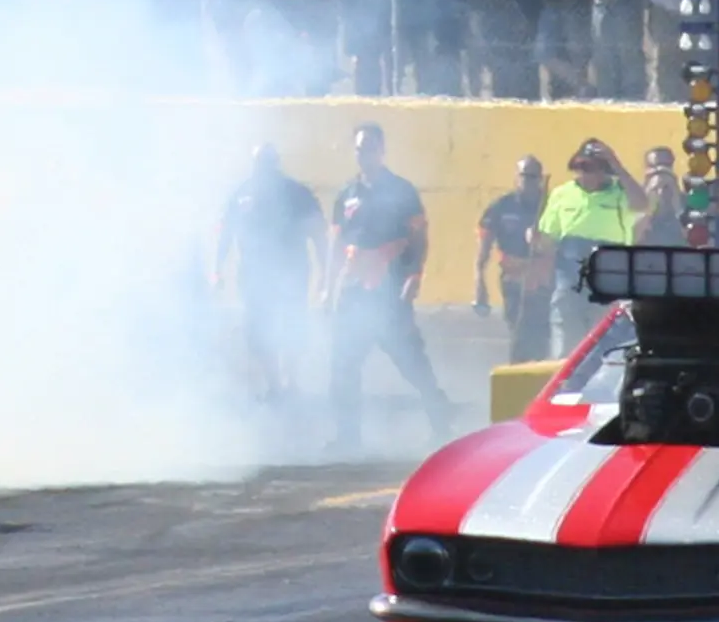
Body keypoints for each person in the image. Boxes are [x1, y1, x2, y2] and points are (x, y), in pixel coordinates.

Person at [325, 122, 452, 452]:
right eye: (358, 149)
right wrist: (328, 287)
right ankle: (348, 438)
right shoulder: (346, 194)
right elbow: (336, 245)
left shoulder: (402, 191)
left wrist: (415, 276)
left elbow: (419, 237)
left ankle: (442, 424)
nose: (362, 154)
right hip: (355, 293)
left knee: (411, 363)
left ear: (381, 150)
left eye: (368, 148)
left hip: (390, 292)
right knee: (344, 365)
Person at [214, 143, 325, 400]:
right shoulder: (242, 194)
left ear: (276, 164)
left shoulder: (297, 194)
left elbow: (318, 232)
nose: (263, 168)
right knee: (259, 329)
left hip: (292, 273)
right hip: (254, 276)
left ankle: (291, 381)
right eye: (259, 163)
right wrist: (217, 269)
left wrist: (324, 273)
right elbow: (226, 232)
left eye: (268, 162)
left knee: (292, 325)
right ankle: (275, 385)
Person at [533, 137, 645, 358]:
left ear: (604, 170)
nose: (584, 173)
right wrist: (535, 239)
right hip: (570, 280)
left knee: (605, 347)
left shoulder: (619, 193)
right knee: (566, 345)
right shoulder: (561, 194)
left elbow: (642, 204)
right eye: (580, 167)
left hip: (608, 281)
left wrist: (617, 165)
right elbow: (548, 240)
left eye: (591, 168)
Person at [475, 154, 549, 363]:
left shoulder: (551, 206)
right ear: (516, 177)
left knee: (542, 337)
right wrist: (479, 282)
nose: (528, 181)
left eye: (533, 177)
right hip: (514, 283)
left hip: (544, 283)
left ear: (540, 179)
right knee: (518, 332)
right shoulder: (501, 207)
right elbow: (484, 246)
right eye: (524, 176)